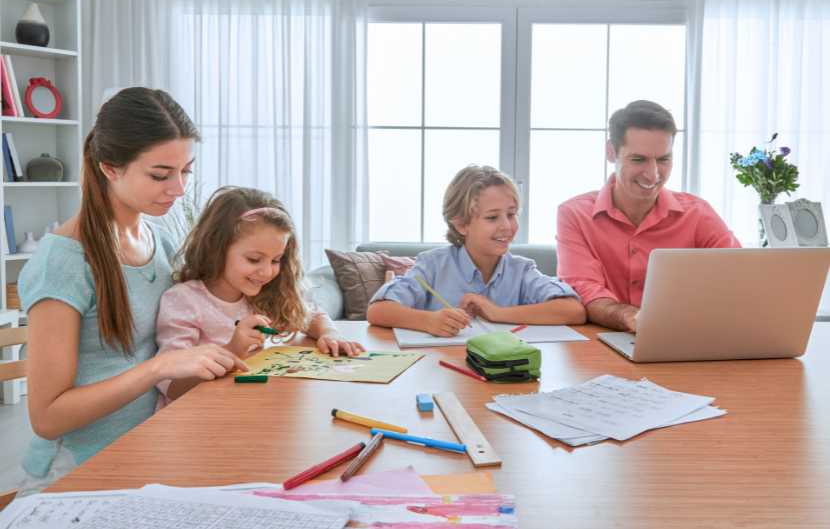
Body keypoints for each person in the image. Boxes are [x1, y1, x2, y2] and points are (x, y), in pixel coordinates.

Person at [16, 88, 249, 497]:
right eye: (160, 175)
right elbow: (47, 418)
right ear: (110, 168)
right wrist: (160, 368)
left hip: (152, 445)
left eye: (186, 171)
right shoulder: (64, 264)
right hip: (81, 469)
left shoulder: (158, 236)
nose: (177, 189)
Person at [154, 186, 365, 409]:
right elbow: (172, 386)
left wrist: (329, 333)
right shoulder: (184, 301)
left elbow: (309, 314)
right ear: (214, 246)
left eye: (276, 260)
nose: (267, 272)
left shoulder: (262, 295)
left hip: (245, 408)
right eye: (254, 259)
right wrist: (231, 350)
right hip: (195, 418)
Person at [556, 100, 741, 333]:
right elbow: (585, 291)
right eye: (638, 159)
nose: (653, 174)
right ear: (611, 152)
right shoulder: (574, 214)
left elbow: (739, 278)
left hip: (686, 337)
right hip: (603, 343)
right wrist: (634, 318)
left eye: (663, 159)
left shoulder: (698, 213)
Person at [367, 165, 585, 336]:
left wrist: (498, 313)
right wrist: (428, 321)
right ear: (461, 224)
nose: (507, 226)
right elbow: (377, 311)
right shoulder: (432, 266)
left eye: (511, 214)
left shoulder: (522, 270)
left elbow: (574, 310)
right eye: (492, 217)